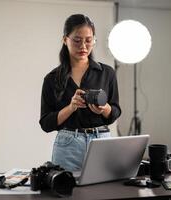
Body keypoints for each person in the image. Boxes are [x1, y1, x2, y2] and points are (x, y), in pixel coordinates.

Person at [39, 14, 121, 172]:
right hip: (68, 145)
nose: (83, 46)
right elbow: (46, 123)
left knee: (103, 194)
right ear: (65, 40)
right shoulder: (51, 79)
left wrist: (105, 109)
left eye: (88, 40)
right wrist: (70, 107)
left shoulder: (107, 73)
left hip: (101, 142)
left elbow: (115, 111)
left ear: (94, 40)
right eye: (77, 40)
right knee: (68, 193)